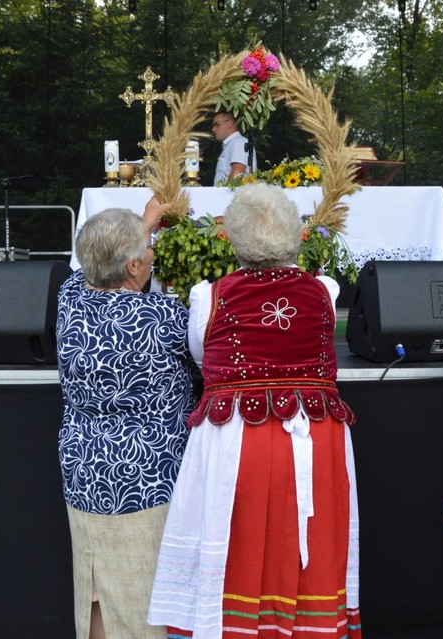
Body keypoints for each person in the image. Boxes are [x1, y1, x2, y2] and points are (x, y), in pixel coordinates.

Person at [147, 182, 362, 638]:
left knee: (235, 540)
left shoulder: (209, 296)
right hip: (314, 435)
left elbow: (203, 356)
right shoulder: (323, 289)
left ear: (233, 238)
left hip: (239, 439)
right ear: (293, 235)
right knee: (312, 538)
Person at [57, 197, 195, 639]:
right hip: (148, 477)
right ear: (134, 267)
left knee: (94, 584)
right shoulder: (165, 317)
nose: (152, 254)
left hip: (84, 470)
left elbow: (90, 268)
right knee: (144, 590)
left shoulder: (69, 301)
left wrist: (145, 223)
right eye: (147, 248)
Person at [211, 111, 254, 185]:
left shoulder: (238, 142)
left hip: (233, 195)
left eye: (217, 124)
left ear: (229, 123)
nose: (213, 129)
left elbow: (238, 171)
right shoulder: (232, 144)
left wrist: (225, 195)